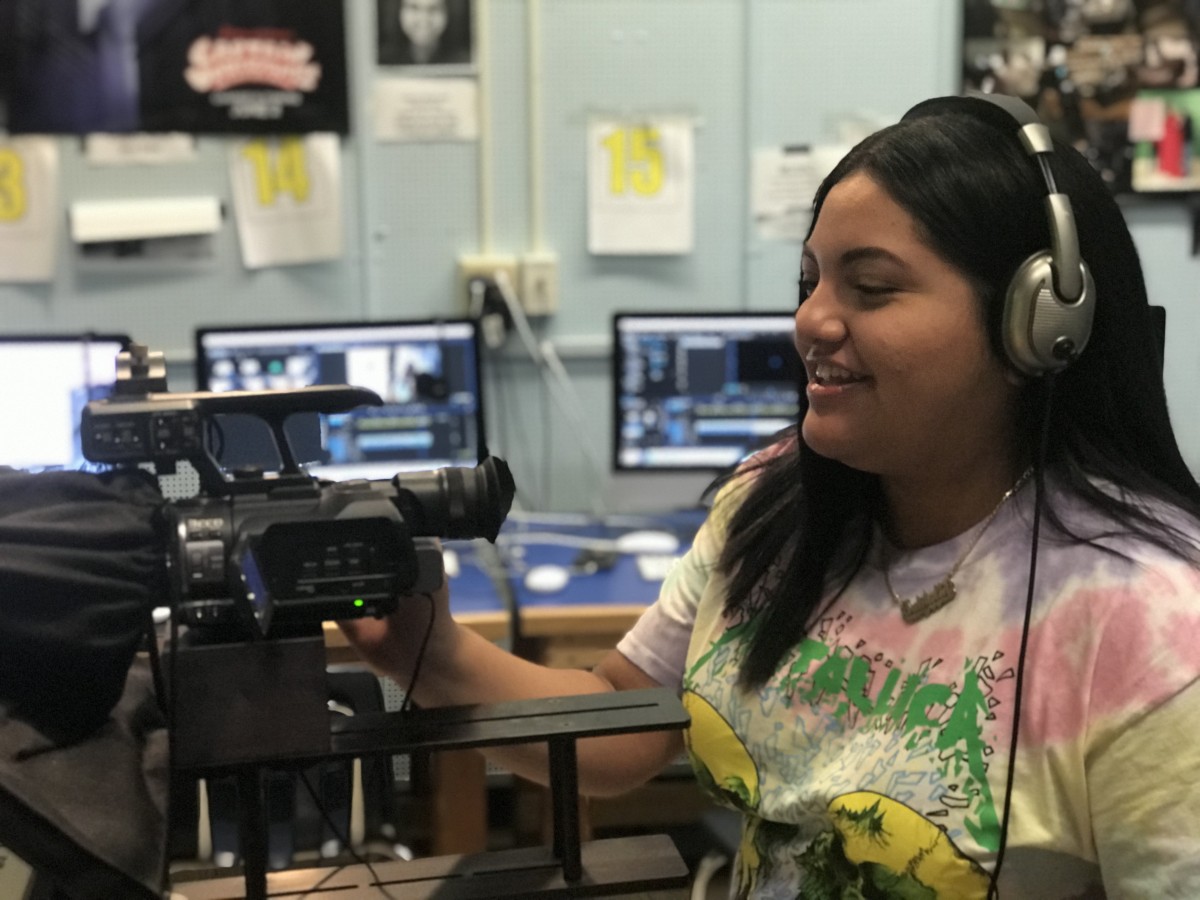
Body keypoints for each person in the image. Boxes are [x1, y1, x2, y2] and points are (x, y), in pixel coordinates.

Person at [340, 93, 1200, 898]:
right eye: (811, 281)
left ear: (1039, 325)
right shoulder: (774, 505)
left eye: (870, 287)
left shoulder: (1153, 628)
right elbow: (627, 721)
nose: (812, 321)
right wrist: (433, 654)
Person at [377, 0, 473, 67]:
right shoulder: (380, 63)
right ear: (398, 10)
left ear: (449, 12)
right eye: (414, 7)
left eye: (433, 9)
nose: (423, 19)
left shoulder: (466, 64)